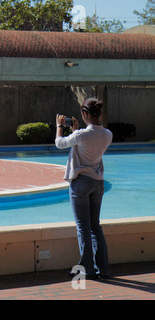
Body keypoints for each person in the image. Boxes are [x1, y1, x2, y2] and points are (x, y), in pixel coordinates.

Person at [55, 97, 113, 279]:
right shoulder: (107, 134)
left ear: (85, 114)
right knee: (95, 226)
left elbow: (60, 143)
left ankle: (87, 269)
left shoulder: (81, 136)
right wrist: (75, 130)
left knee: (83, 227)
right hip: (97, 182)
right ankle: (103, 268)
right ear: (100, 113)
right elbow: (87, 143)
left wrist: (59, 127)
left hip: (81, 183)